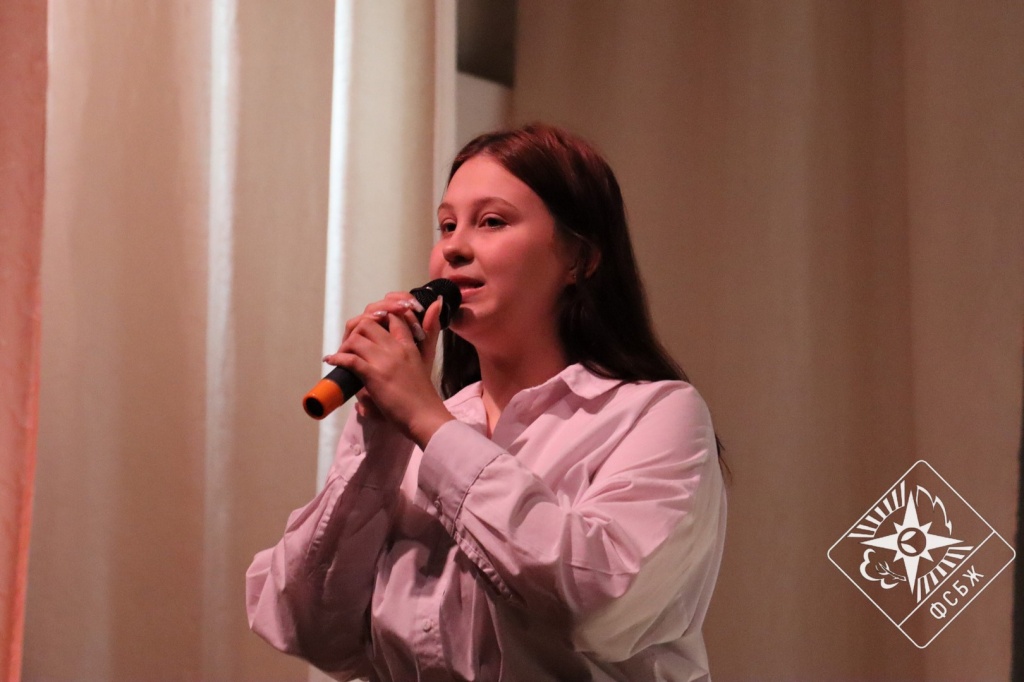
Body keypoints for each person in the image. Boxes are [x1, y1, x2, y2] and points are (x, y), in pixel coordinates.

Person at [246, 123, 727, 681]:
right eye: (447, 225)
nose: (453, 246)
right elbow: (307, 630)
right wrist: (380, 442)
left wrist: (428, 422)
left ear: (581, 257)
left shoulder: (654, 414)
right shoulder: (414, 434)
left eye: (492, 221)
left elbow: (599, 604)